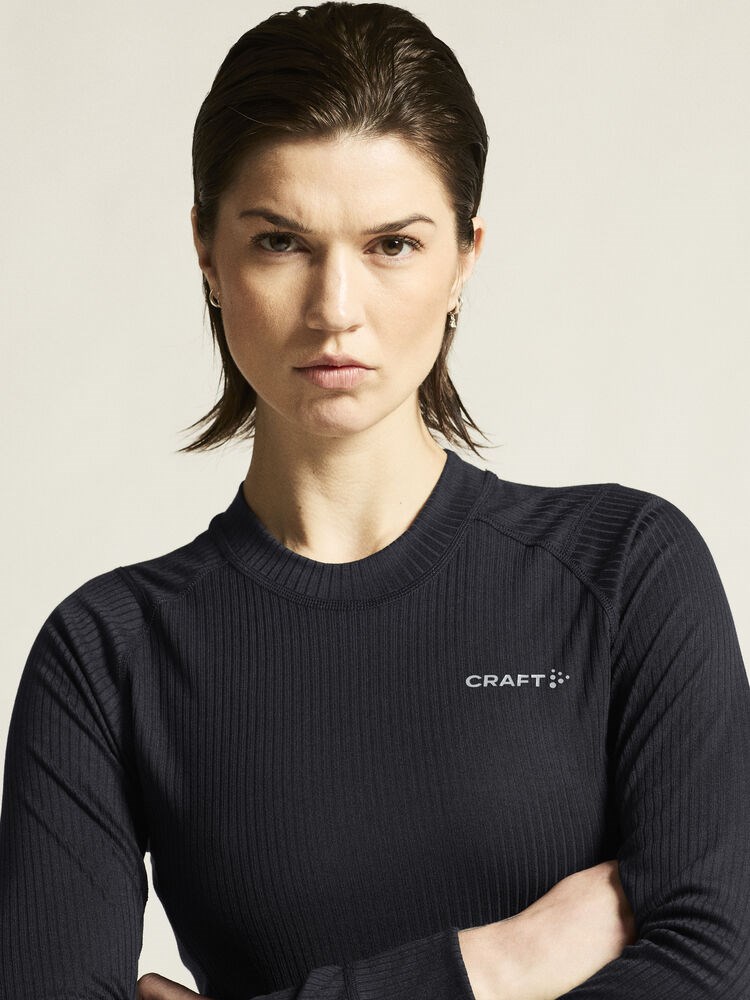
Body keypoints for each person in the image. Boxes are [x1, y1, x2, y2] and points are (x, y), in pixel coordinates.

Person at [1, 3, 749, 999]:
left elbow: (714, 967)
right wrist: (498, 962)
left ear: (465, 256)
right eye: (281, 242)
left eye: (392, 244)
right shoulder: (107, 654)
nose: (335, 310)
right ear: (207, 254)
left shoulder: (627, 571)